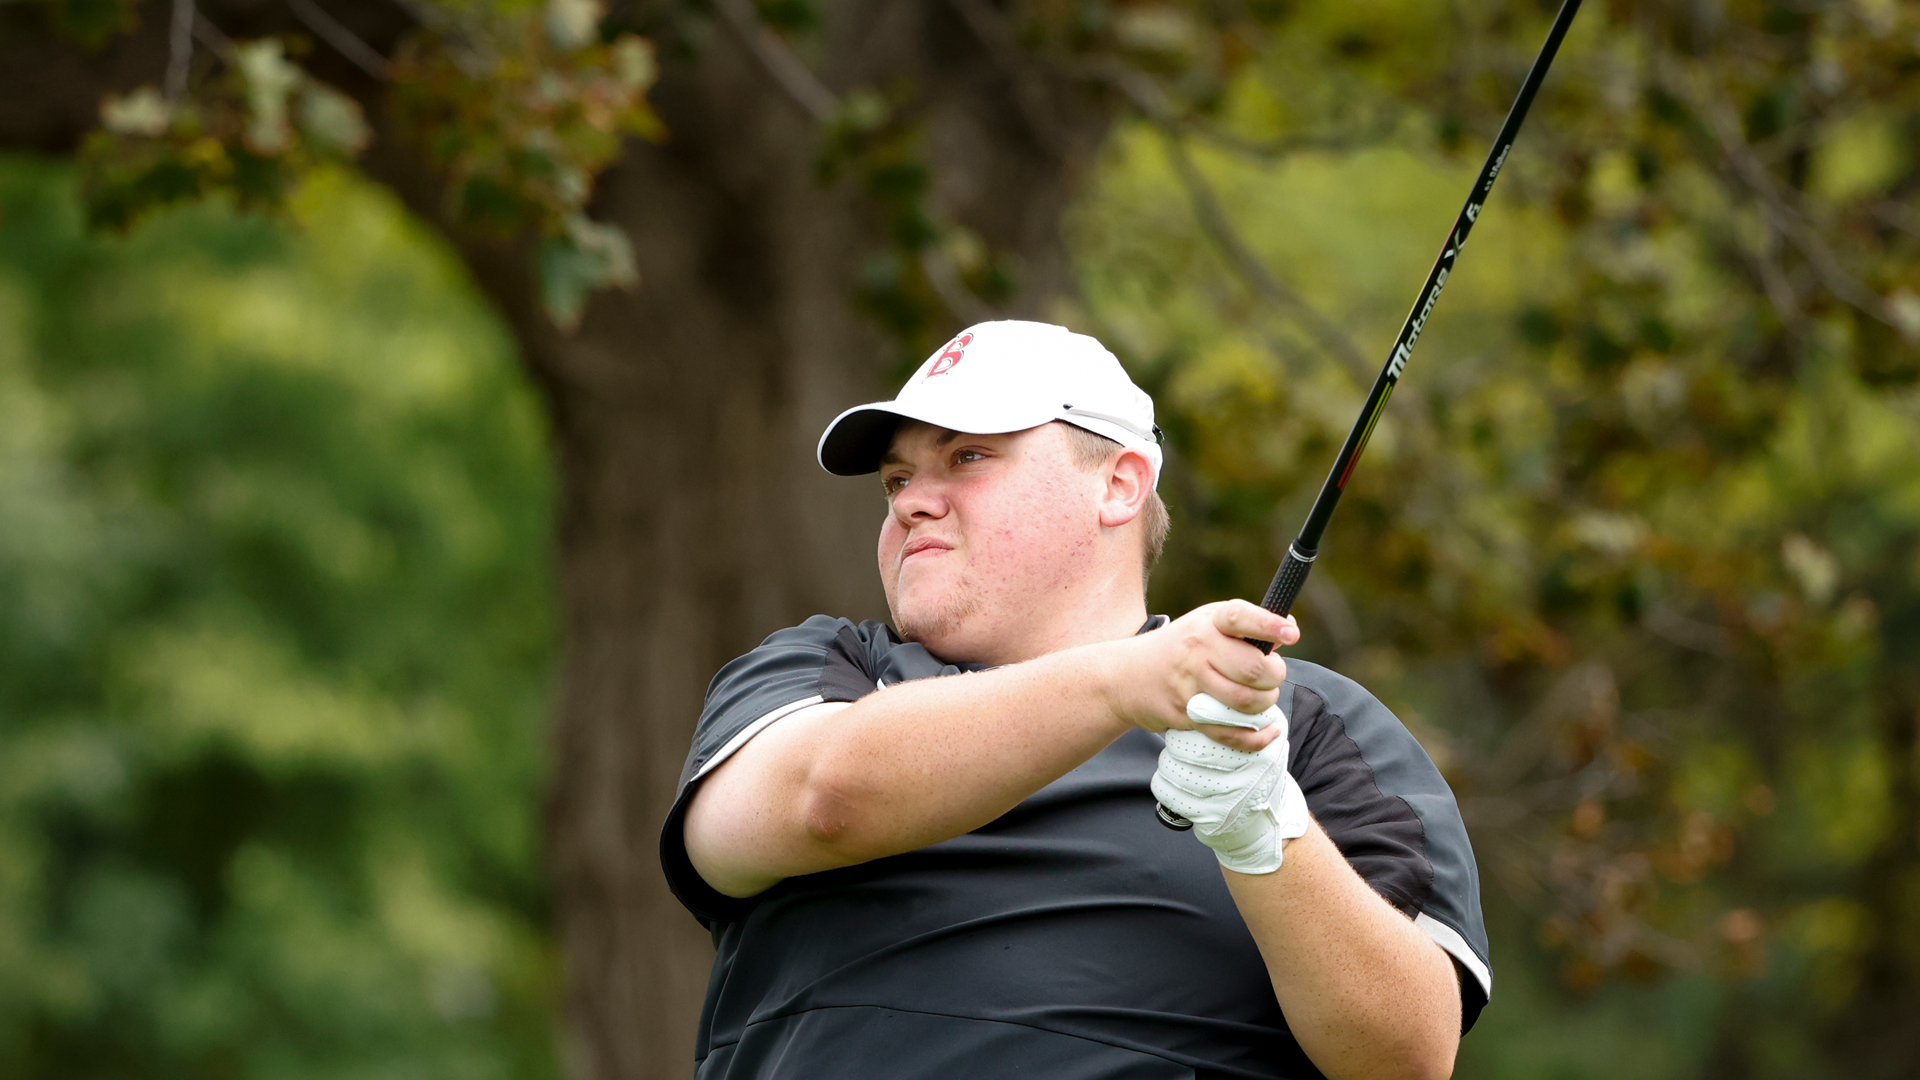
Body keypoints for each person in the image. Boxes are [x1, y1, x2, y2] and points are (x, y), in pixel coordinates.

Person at [659, 320, 1490, 1080]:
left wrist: (1264, 827)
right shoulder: (829, 669)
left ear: (1120, 485)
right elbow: (820, 800)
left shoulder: (1299, 723)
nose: (911, 500)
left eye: (968, 458)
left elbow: (1407, 1056)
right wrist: (1126, 682)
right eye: (896, 479)